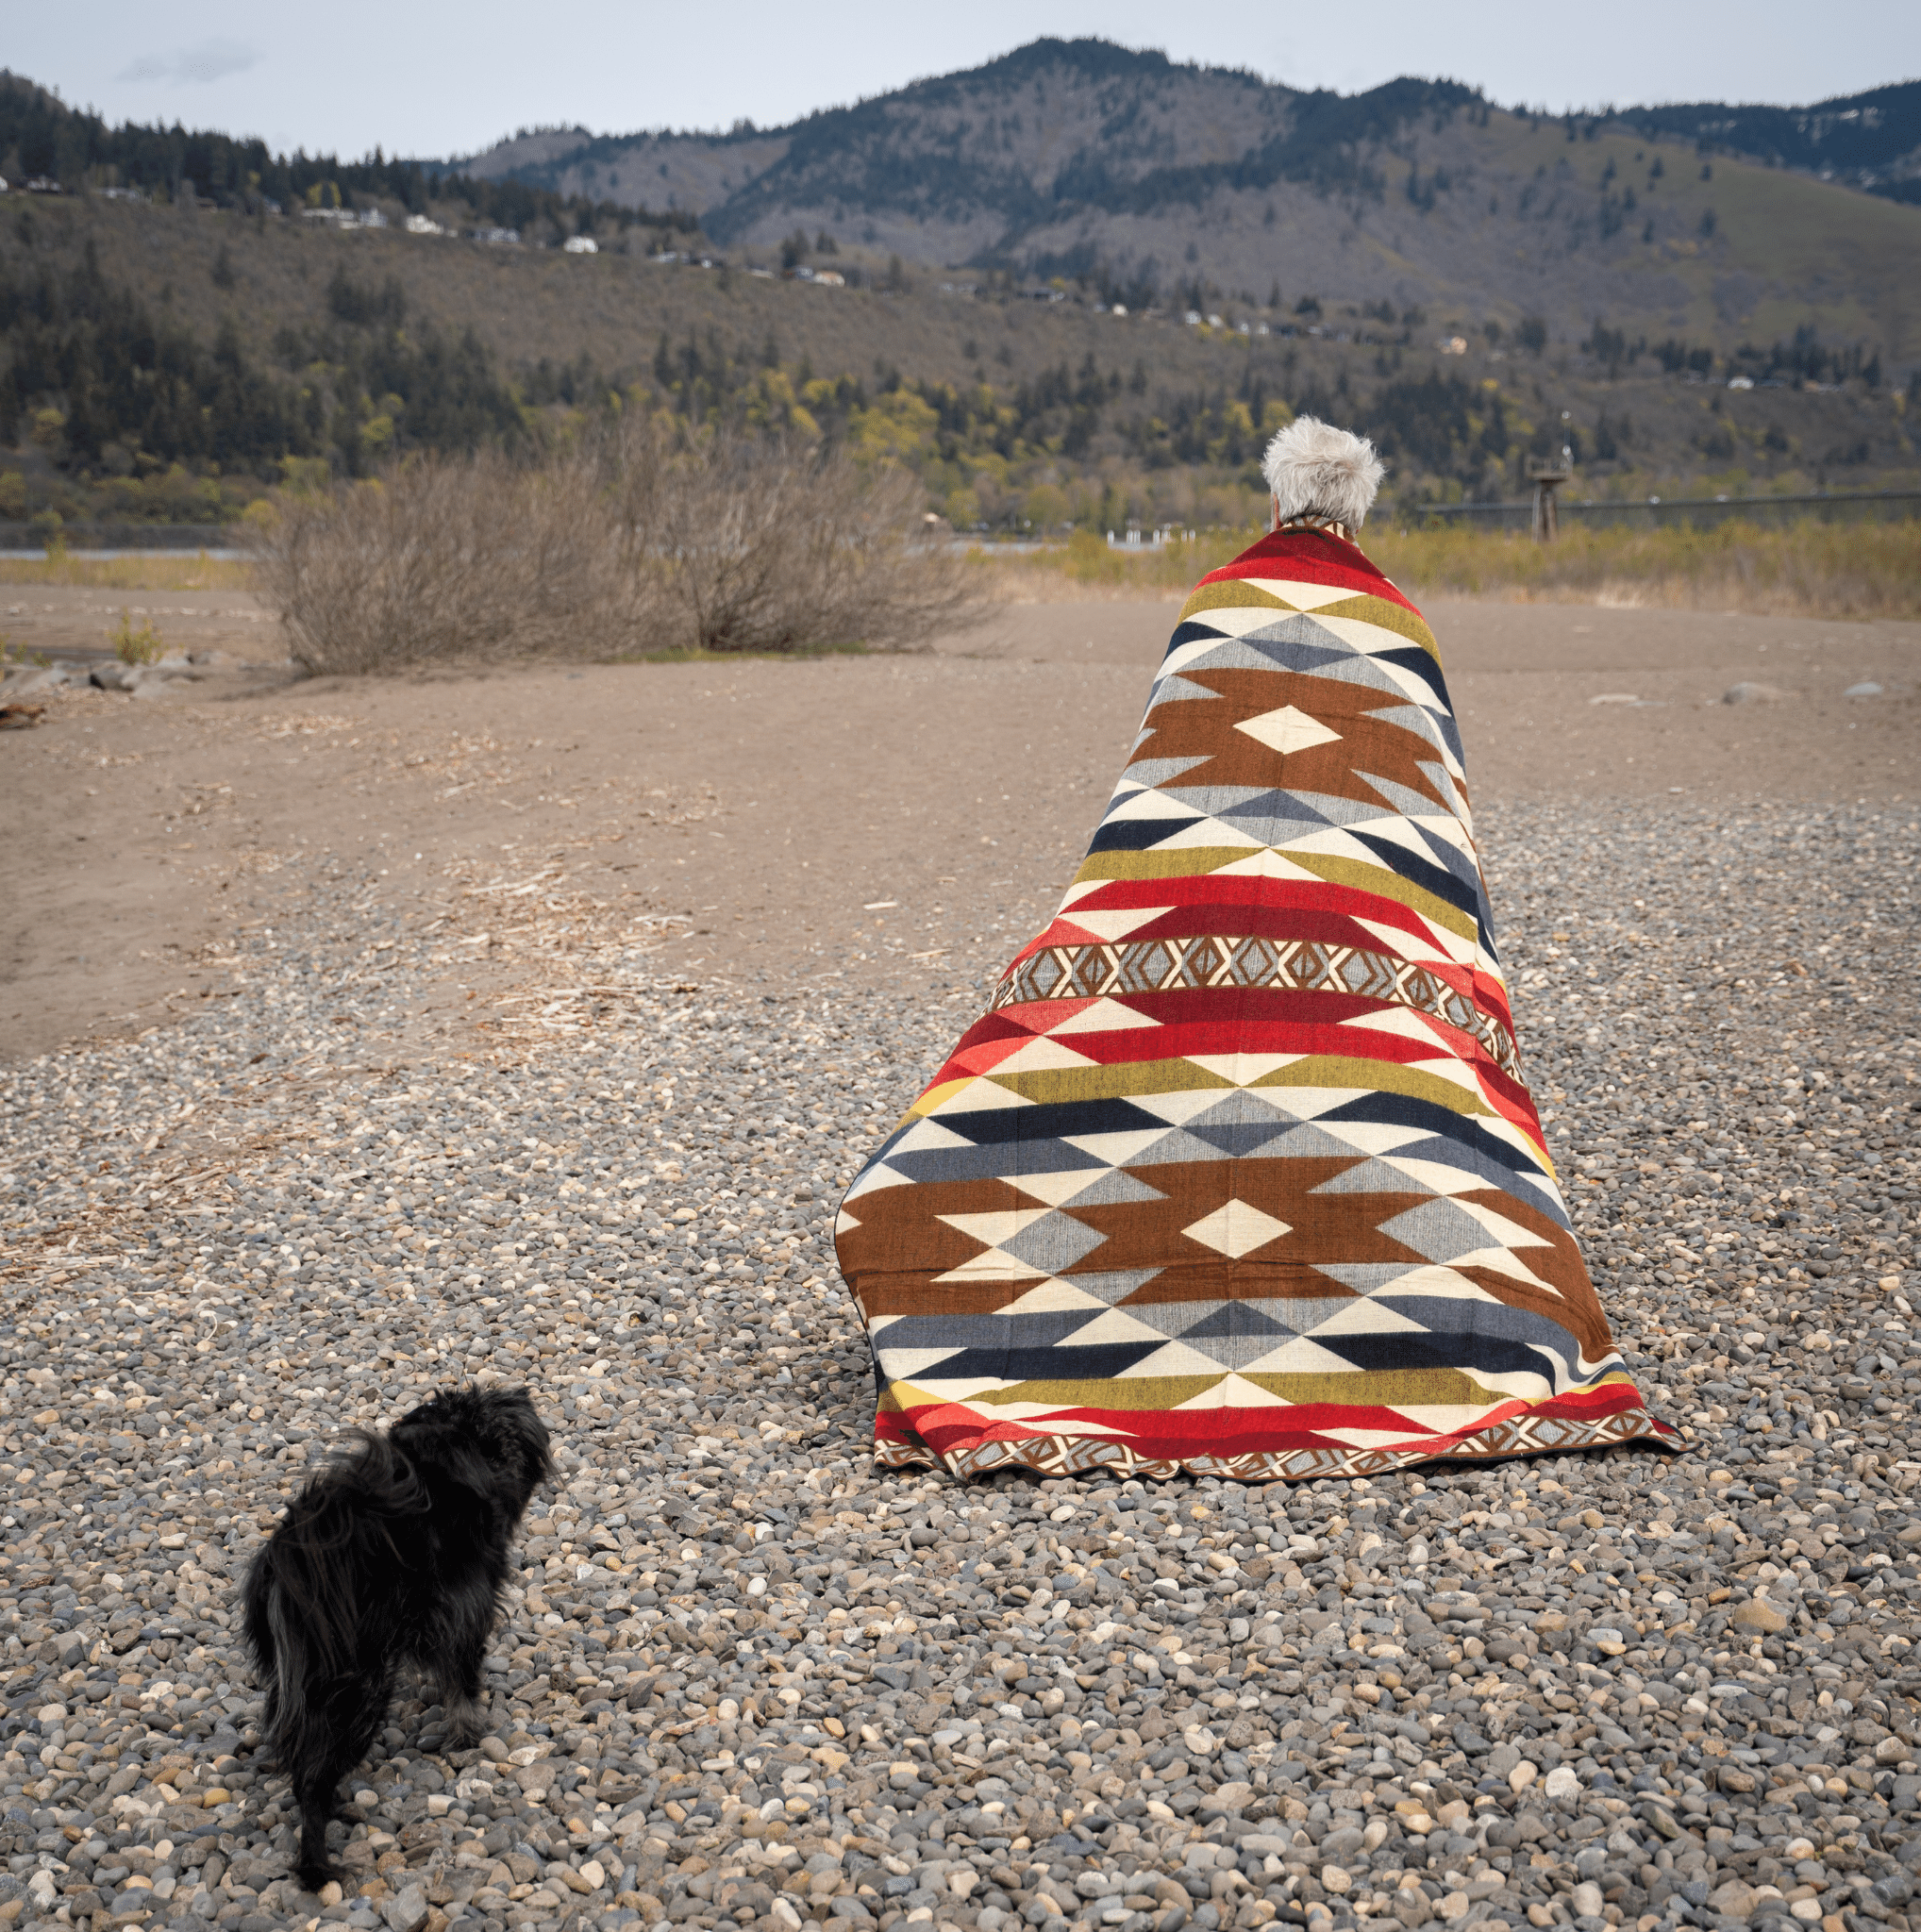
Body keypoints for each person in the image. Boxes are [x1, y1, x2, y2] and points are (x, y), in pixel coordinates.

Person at [834, 419, 1675, 1482]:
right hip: (1356, 934)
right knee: (1412, 1046)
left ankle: (1035, 1310)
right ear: (1360, 506)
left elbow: (1160, 786)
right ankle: (1441, 1299)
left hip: (1182, 916)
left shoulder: (1213, 604)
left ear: (1272, 503)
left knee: (1034, 1105)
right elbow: (1428, 832)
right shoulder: (1396, 622)